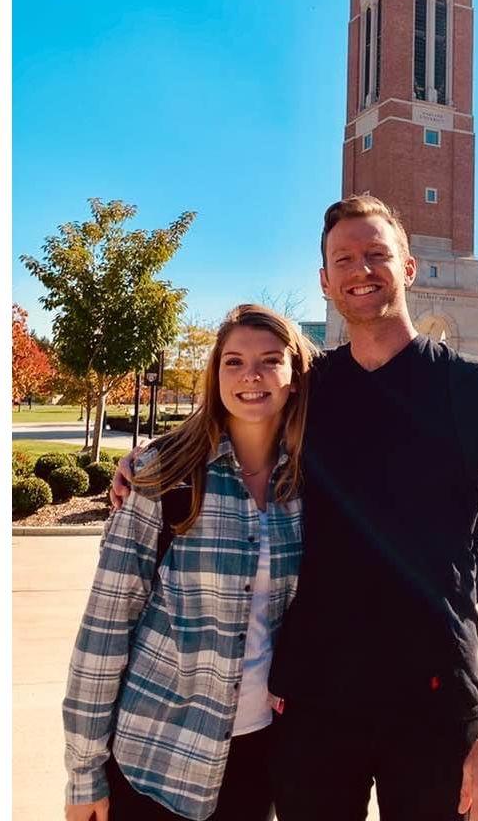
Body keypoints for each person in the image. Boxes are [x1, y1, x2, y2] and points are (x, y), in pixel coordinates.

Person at [110, 195, 478, 821]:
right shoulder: (306, 392)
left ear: (410, 267)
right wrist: (147, 460)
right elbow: (228, 423)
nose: (360, 270)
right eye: (343, 259)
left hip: (435, 704)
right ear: (324, 280)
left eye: (376, 255)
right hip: (313, 706)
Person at [63, 304, 315, 821]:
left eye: (271, 360)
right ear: (215, 374)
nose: (252, 375)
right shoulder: (166, 474)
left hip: (259, 757)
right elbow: (105, 626)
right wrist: (84, 772)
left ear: (295, 377)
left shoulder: (308, 487)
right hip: (157, 756)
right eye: (234, 361)